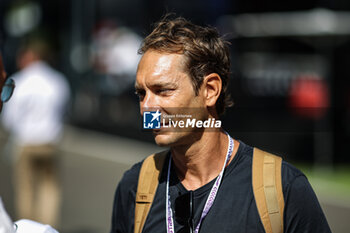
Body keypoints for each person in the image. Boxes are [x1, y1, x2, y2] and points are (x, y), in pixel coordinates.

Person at [110, 17, 331, 233]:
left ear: (210, 90)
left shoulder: (282, 188)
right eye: (141, 93)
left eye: (163, 90)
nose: (147, 107)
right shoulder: (135, 186)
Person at [1, 39, 70, 228]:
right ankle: (48, 227)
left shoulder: (21, 81)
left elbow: (9, 118)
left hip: (26, 142)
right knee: (50, 190)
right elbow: (63, 110)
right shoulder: (57, 80)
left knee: (26, 190)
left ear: (29, 56)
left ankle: (29, 227)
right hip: (49, 141)